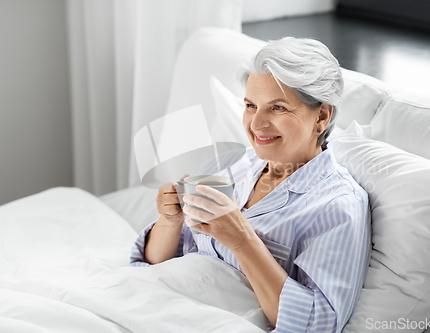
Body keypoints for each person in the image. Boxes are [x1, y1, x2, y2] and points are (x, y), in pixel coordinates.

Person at [131, 37, 371, 333]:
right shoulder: (229, 166)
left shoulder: (337, 206)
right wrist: (169, 220)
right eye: (250, 105)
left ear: (321, 116)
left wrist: (243, 240)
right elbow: (154, 262)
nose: (256, 124)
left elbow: (316, 325)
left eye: (278, 108)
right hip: (152, 303)